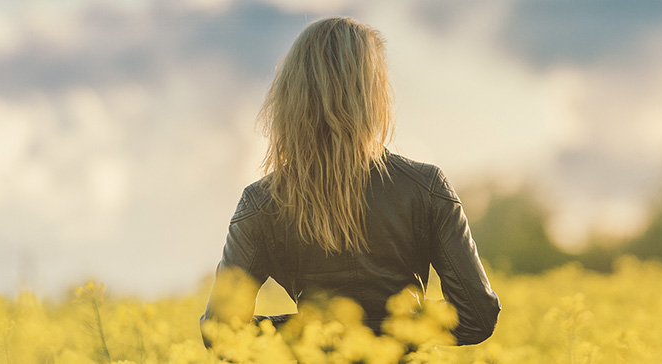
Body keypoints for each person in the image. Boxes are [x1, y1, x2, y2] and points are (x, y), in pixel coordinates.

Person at [200, 17, 500, 348]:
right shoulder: (425, 186)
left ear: (292, 94)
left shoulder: (262, 202)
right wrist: (398, 328)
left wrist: (315, 332)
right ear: (373, 93)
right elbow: (477, 317)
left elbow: (220, 332)